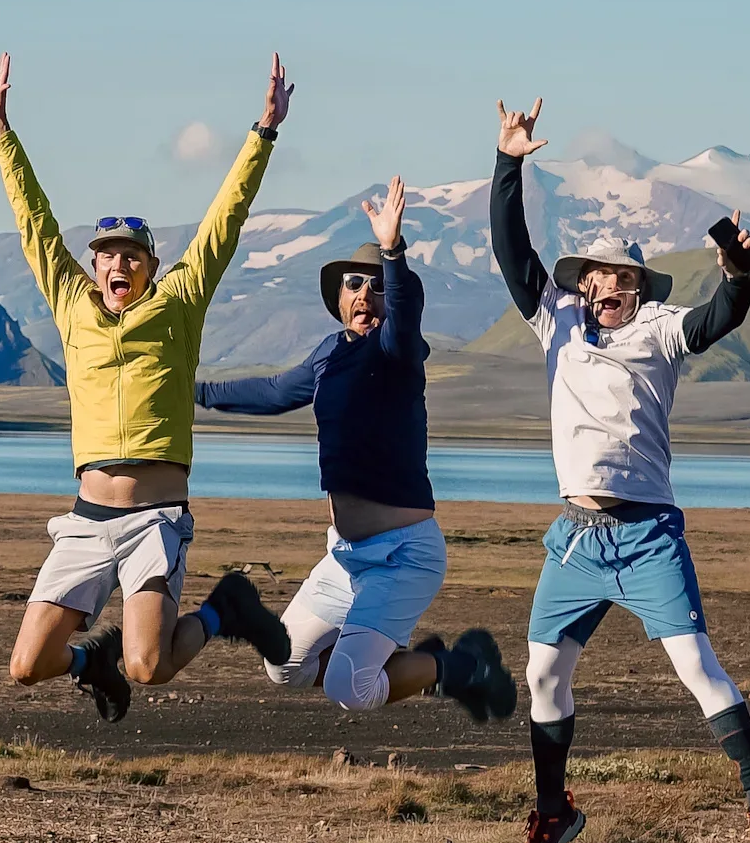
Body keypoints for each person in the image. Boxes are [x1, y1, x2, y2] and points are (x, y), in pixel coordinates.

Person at [490, 96, 750, 843]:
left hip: (647, 533)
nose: (609, 288)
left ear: (637, 285)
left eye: (623, 277)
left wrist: (736, 271)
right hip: (575, 539)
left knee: (696, 665)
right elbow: (511, 251)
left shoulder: (660, 328)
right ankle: (553, 809)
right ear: (583, 283)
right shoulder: (554, 320)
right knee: (542, 673)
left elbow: (722, 315)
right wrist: (508, 163)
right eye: (598, 276)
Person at [0, 51, 294, 723]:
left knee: (149, 667)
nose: (118, 263)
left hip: (156, 518)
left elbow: (225, 222)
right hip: (87, 519)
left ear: (152, 265)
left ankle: (226, 609)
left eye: (133, 254)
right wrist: (2, 131)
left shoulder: (180, 303)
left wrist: (262, 133)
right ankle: (88, 662)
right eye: (107, 255)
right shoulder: (71, 303)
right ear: (93, 266)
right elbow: (33, 223)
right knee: (26, 665)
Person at [197, 176, 517, 720]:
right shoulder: (328, 354)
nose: (364, 293)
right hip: (345, 557)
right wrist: (190, 390)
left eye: (375, 284)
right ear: (338, 298)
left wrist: (392, 249)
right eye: (353, 283)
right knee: (284, 666)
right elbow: (274, 392)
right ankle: (386, 656)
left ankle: (454, 667)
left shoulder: (399, 351)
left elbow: (405, 309)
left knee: (348, 689)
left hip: (403, 557)